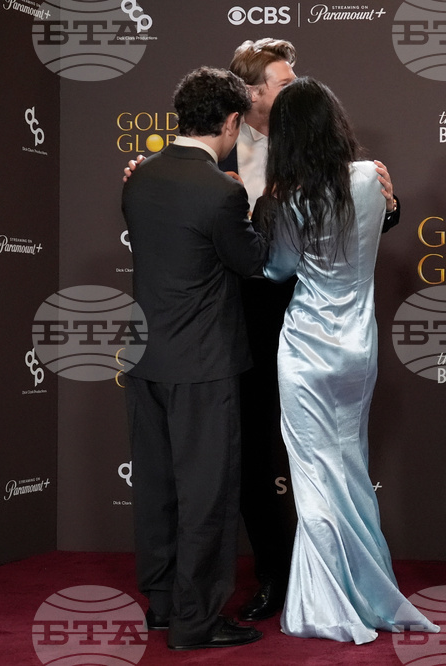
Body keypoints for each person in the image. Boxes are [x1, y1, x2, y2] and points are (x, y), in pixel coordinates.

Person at [123, 38, 402, 623]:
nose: (295, 88)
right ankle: (275, 573)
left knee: (321, 452)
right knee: (246, 452)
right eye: (283, 81)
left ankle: (330, 574)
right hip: (238, 317)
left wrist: (388, 202)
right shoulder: (216, 163)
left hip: (307, 316)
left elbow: (349, 225)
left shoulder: (318, 147)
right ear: (249, 96)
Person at [253, 77, 439, 644]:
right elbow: (380, 225)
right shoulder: (369, 178)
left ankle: (326, 603)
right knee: (350, 467)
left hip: (307, 347)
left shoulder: (287, 198)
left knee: (313, 475)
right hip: (358, 347)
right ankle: (368, 590)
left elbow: (278, 270)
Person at [120, 66, 266, 650]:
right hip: (203, 365)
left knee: (157, 489)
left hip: (145, 359)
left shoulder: (139, 177)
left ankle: (161, 605)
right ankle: (196, 621)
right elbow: (252, 262)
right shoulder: (223, 191)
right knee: (206, 495)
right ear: (230, 122)